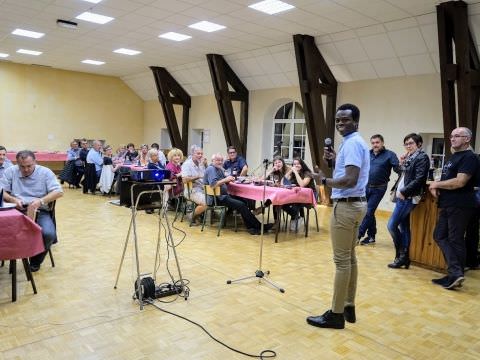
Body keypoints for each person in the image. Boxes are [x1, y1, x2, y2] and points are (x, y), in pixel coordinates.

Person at [306, 103, 369, 330]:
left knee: (341, 262)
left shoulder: (353, 144)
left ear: (356, 122)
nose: (340, 123)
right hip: (357, 204)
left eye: (345, 120)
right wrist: (333, 161)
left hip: (346, 206)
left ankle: (335, 314)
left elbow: (349, 180)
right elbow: (346, 173)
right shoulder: (353, 143)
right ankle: (348, 304)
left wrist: (322, 180)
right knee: (350, 258)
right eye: (338, 120)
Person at [429, 127, 479, 289]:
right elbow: (448, 178)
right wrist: (438, 186)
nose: (452, 138)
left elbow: (460, 182)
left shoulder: (470, 157)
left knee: (455, 238)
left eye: (457, 136)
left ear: (467, 139)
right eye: (451, 136)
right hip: (448, 203)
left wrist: (436, 184)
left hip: (461, 204)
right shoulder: (454, 157)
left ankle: (456, 274)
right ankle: (455, 273)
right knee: (439, 235)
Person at [0, 150, 63, 272]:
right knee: (3, 230)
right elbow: (1, 191)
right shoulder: (11, 171)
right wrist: (12, 199)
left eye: (29, 166)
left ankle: (34, 261)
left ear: (35, 162)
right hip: (16, 209)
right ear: (17, 164)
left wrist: (41, 201)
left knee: (48, 234)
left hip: (39, 210)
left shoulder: (45, 172)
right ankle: (6, 255)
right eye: (22, 167)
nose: (26, 169)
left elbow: (59, 191)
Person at [387, 133, 429, 269]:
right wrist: (401, 163)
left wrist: (404, 192)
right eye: (406, 144)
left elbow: (420, 179)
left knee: (391, 225)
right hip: (402, 196)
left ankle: (401, 255)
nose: (408, 146)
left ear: (419, 144)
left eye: (411, 143)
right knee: (404, 227)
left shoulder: (422, 157)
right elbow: (402, 174)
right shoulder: (410, 157)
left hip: (408, 197)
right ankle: (404, 258)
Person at [204, 153, 273, 235]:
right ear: (212, 161)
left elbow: (222, 181)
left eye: (221, 160)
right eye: (218, 160)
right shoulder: (211, 169)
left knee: (243, 202)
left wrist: (229, 180)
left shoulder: (218, 169)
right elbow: (213, 185)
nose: (220, 162)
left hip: (222, 196)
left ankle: (251, 228)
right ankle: (259, 226)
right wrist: (226, 179)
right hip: (216, 199)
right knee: (241, 205)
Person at [358, 134, 400, 245]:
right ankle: (371, 236)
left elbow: (399, 170)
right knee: (367, 212)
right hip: (365, 187)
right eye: (373, 143)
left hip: (379, 188)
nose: (375, 145)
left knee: (368, 211)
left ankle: (358, 236)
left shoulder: (390, 155)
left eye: (377, 142)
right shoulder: (367, 154)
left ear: (382, 143)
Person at [282, 157, 316, 231]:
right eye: (294, 164)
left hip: (309, 196)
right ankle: (298, 217)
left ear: (302, 164)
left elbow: (302, 184)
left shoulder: (307, 173)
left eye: (298, 164)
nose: (296, 165)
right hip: (297, 195)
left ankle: (296, 218)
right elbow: (283, 181)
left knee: (295, 204)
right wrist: (291, 171)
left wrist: (296, 172)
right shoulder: (293, 173)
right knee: (282, 203)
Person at [181, 145, 207, 223]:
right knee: (207, 202)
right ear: (192, 154)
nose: (200, 155)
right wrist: (198, 176)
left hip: (203, 189)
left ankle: (199, 215)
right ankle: (192, 215)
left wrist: (206, 165)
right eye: (198, 154)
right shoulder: (187, 164)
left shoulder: (201, 164)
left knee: (215, 198)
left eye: (201, 154)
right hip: (191, 190)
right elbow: (184, 180)